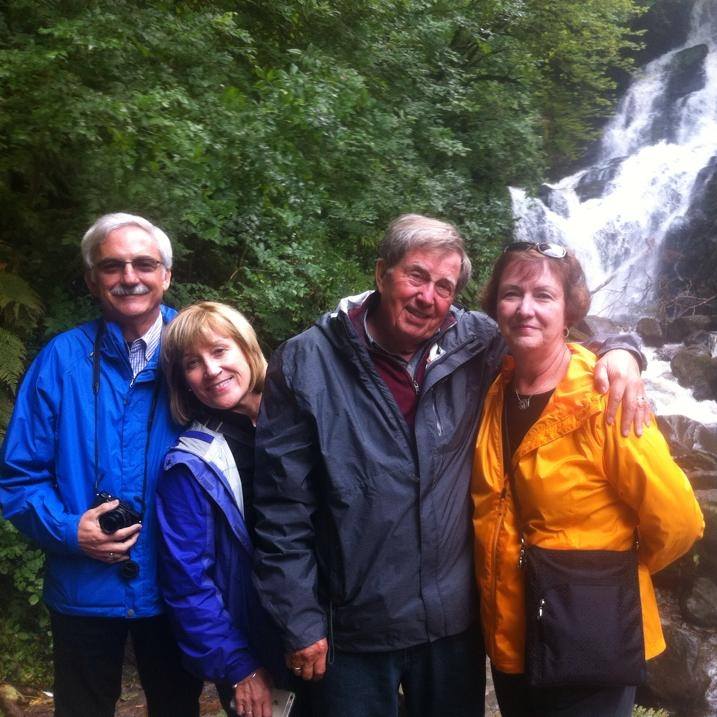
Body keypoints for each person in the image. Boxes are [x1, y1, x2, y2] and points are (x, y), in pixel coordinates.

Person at [252, 214, 649, 717]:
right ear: (381, 274)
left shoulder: (476, 343)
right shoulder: (306, 363)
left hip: (452, 629)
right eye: (416, 276)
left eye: (443, 286)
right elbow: (280, 509)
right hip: (350, 627)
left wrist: (622, 351)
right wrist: (299, 620)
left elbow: (552, 328)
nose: (428, 297)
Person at [471, 241, 704, 716]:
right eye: (512, 293)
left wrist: (619, 572)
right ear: (496, 303)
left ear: (569, 309)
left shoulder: (605, 399)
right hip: (511, 635)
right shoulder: (495, 387)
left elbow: (681, 520)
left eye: (544, 295)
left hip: (589, 637)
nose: (525, 309)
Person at [0, 213, 203, 716]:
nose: (129, 276)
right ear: (93, 279)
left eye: (144, 263)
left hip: (180, 583)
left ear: (167, 275)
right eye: (112, 265)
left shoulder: (200, 353)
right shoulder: (61, 360)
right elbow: (19, 477)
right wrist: (71, 531)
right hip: (82, 588)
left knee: (178, 706)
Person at [156, 301, 290, 717]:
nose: (211, 370)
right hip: (257, 647)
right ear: (185, 382)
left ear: (247, 348)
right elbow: (187, 581)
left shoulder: (302, 415)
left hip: (337, 634)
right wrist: (238, 667)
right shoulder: (191, 465)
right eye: (193, 363)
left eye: (219, 351)